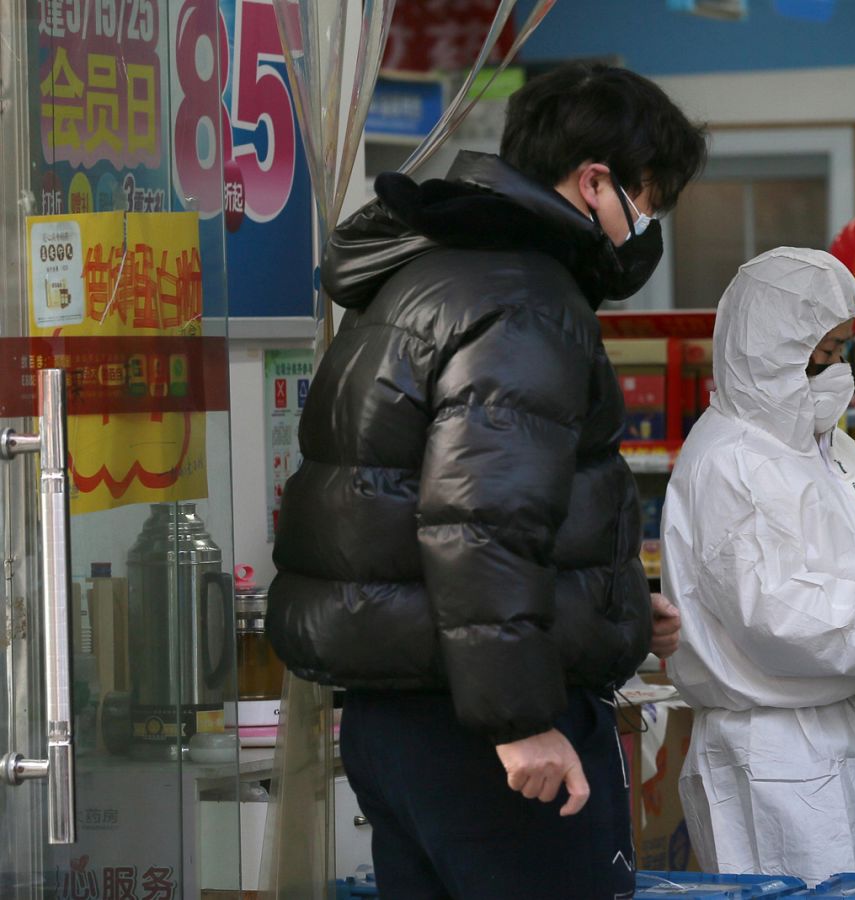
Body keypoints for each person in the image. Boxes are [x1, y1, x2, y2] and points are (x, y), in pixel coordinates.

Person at [267, 62, 705, 898]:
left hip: (402, 709)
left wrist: (598, 601)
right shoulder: (528, 300)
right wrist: (522, 721)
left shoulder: (430, 272)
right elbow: (480, 521)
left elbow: (420, 503)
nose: (648, 226)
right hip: (481, 731)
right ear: (594, 181)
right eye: (649, 201)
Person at [660, 247, 855, 887]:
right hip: (777, 762)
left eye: (841, 349)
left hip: (841, 742)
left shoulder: (824, 445)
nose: (834, 367)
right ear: (771, 345)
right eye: (823, 351)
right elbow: (790, 623)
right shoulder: (733, 462)